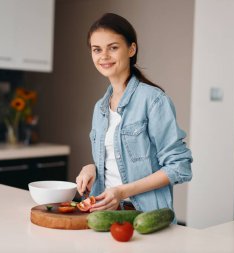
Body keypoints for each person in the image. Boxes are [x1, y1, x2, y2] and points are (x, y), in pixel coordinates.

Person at [76, 13, 192, 218]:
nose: (103, 56)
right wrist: (91, 167)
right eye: (97, 50)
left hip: (144, 216)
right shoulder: (99, 108)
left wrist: (122, 192)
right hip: (102, 214)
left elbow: (178, 166)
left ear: (131, 49)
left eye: (113, 47)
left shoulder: (154, 100)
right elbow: (117, 160)